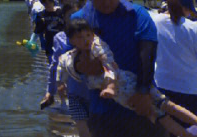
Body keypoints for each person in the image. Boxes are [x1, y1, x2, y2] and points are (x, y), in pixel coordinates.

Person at [56, 17, 197, 136]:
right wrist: (60, 84)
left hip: (129, 82)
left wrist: (110, 85)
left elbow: (108, 63)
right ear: (72, 40)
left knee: (167, 105)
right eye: (80, 37)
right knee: (160, 116)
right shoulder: (69, 57)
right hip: (123, 96)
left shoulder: (97, 46)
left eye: (88, 35)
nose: (85, 40)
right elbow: (60, 68)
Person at [76, 0, 163, 137]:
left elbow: (147, 54)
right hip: (102, 109)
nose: (107, 2)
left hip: (141, 101)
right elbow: (77, 64)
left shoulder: (138, 15)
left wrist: (143, 91)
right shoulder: (79, 20)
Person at [41, 0, 91, 137]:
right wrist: (50, 91)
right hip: (74, 91)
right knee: (83, 130)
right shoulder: (60, 38)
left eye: (77, 15)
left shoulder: (93, 37)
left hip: (94, 90)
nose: (74, 19)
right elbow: (55, 65)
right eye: (70, 16)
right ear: (63, 17)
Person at [152, 0, 197, 115]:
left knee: (170, 128)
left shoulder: (154, 22)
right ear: (185, 8)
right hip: (190, 88)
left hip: (162, 84)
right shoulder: (192, 28)